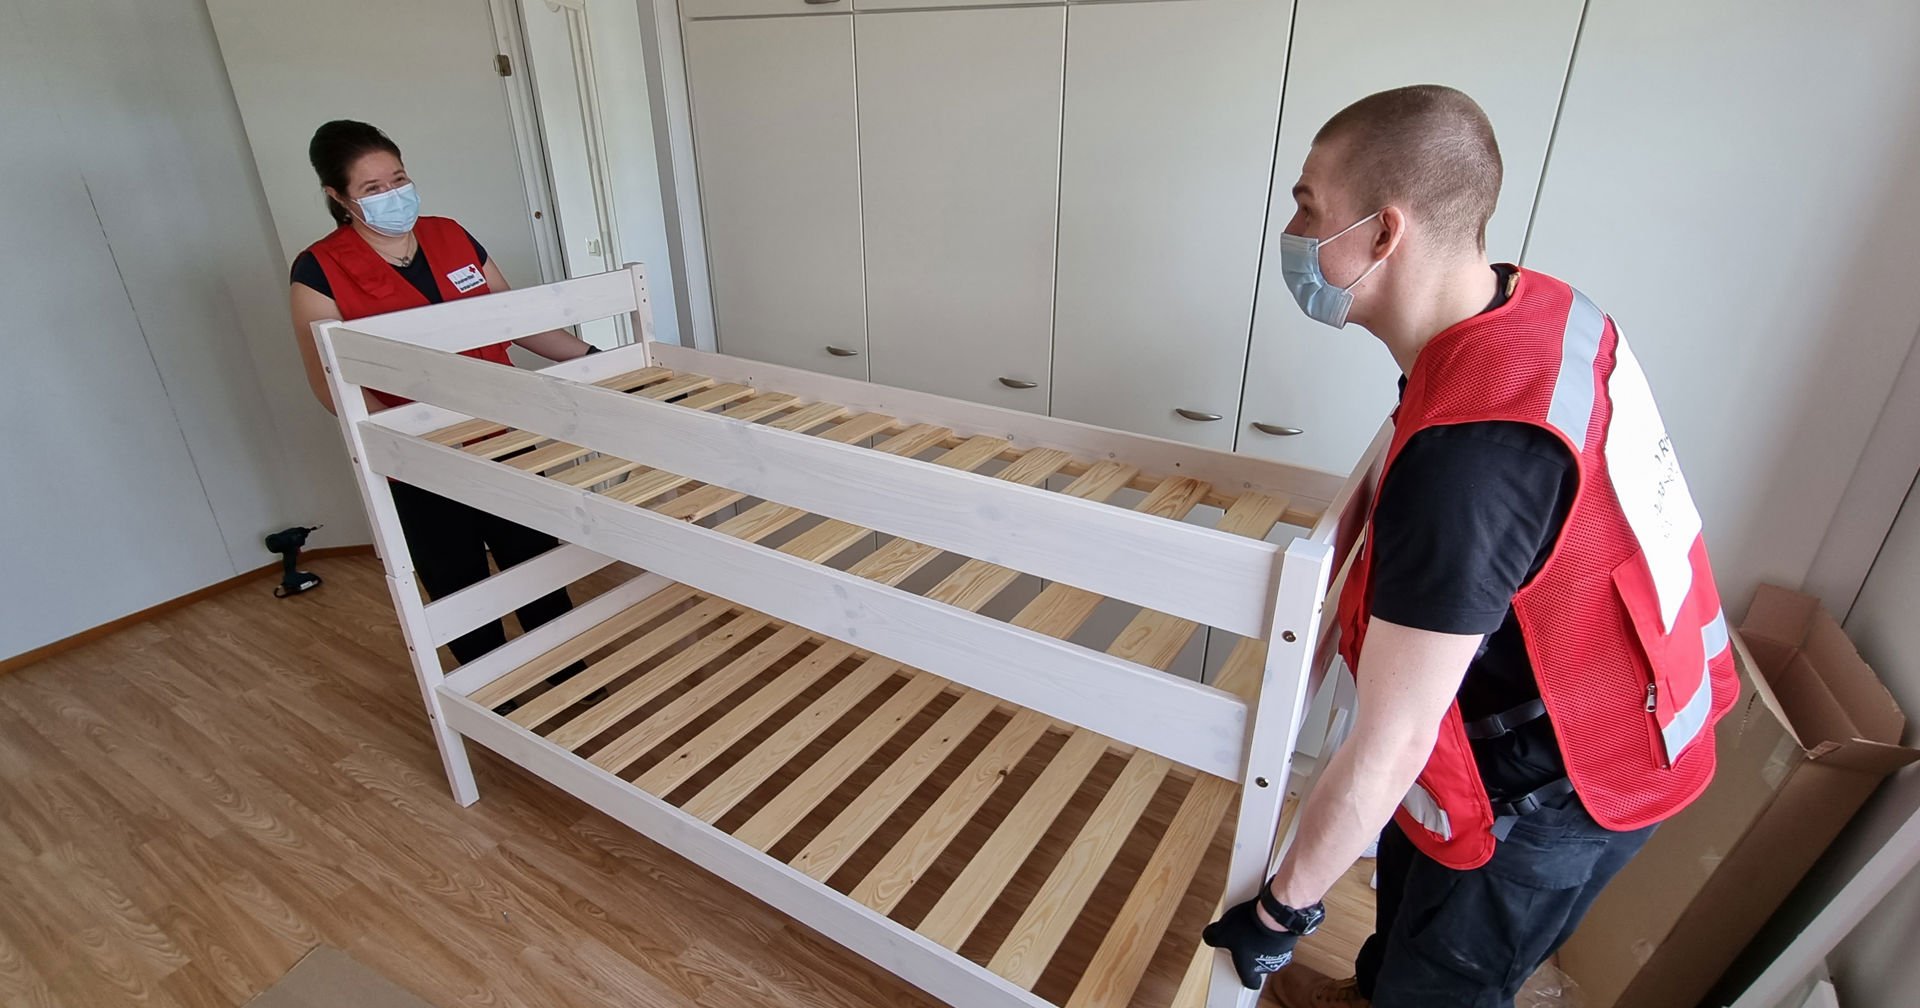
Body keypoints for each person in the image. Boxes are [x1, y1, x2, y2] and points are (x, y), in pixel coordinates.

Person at [1201, 86, 1739, 1007]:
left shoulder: (1471, 461)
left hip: (1570, 774)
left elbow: (1390, 747)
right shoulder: (1537, 311)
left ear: (1384, 234)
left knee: (1446, 980)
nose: (1289, 229)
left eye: (1307, 205)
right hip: (1560, 696)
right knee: (1411, 894)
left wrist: (1278, 914)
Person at [290, 119, 599, 669]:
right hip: (417, 455)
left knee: (535, 562)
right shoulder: (320, 269)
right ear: (337, 196)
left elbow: (516, 320)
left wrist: (590, 358)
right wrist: (413, 438)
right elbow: (328, 384)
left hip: (504, 432)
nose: (393, 195)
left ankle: (570, 685)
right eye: (373, 189)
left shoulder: (449, 234)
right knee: (459, 583)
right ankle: (494, 695)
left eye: (399, 178)